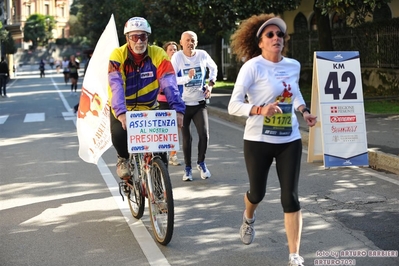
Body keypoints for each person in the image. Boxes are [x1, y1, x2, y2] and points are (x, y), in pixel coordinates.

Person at [228, 14, 317, 266]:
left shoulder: (293, 65)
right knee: (257, 193)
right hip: (258, 140)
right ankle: (248, 217)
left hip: (289, 138)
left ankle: (294, 255)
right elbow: (234, 105)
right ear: (260, 42)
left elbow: (294, 90)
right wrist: (259, 109)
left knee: (290, 197)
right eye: (270, 35)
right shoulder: (252, 67)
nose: (277, 38)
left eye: (280, 35)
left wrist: (304, 111)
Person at [108, 17, 185, 179]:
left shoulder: (158, 53)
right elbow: (115, 85)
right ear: (127, 38)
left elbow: (169, 82)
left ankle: (160, 191)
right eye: (134, 37)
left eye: (143, 36)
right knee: (119, 134)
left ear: (148, 37)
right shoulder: (117, 55)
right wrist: (121, 113)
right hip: (123, 107)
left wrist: (178, 109)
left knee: (160, 152)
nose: (139, 41)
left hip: (150, 107)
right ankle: (123, 159)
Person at [171, 31, 217, 181]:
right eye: (187, 40)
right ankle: (188, 168)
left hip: (199, 103)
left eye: (193, 40)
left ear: (196, 43)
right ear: (181, 43)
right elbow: (171, 79)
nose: (190, 43)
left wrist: (210, 85)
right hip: (183, 104)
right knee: (187, 138)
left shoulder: (202, 55)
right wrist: (187, 78)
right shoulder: (177, 57)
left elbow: (214, 68)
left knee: (204, 135)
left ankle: (201, 163)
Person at [158, 41, 182, 166]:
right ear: (165, 52)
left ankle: (173, 154)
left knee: (175, 129)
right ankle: (162, 153)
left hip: (176, 101)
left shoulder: (180, 65)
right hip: (161, 101)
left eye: (175, 49)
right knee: (162, 129)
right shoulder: (161, 64)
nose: (173, 51)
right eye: (170, 49)